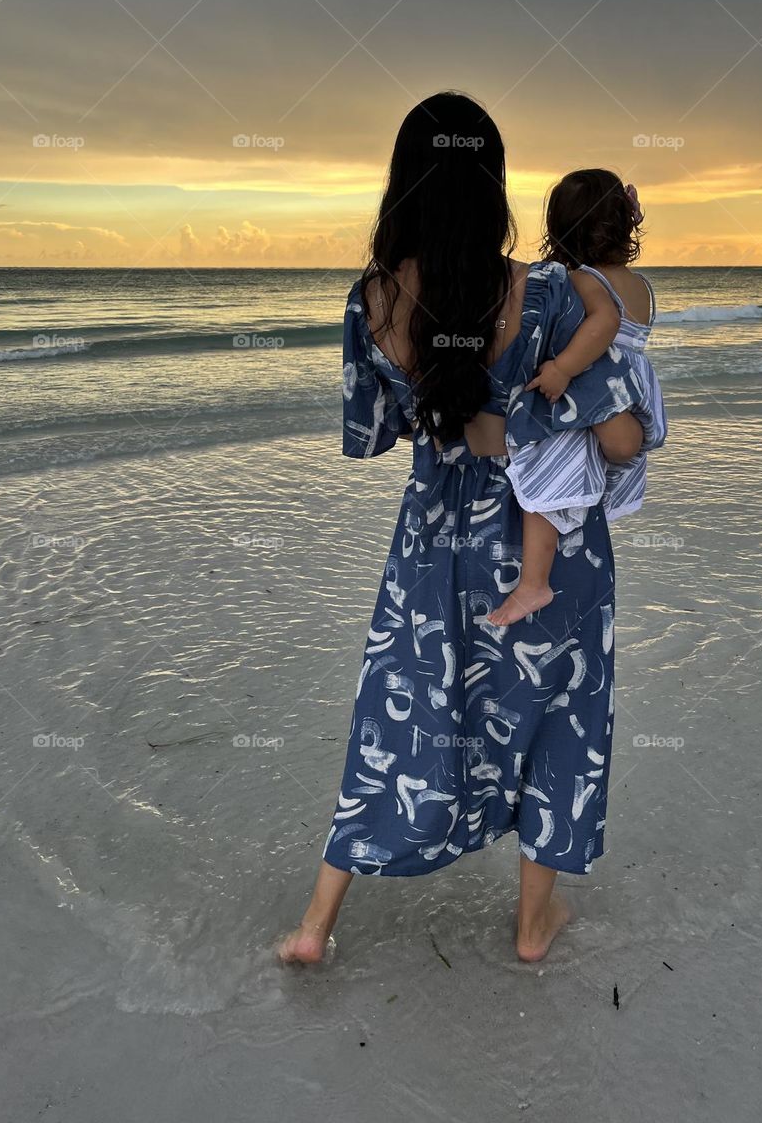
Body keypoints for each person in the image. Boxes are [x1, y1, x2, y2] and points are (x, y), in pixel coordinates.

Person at [279, 94, 660, 967]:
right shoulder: (554, 292)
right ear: (493, 184)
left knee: (400, 707)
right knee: (562, 716)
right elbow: (610, 430)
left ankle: (314, 926)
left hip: (435, 536)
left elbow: (372, 435)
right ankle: (531, 927)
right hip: (548, 536)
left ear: (404, 182)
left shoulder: (371, 296)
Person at [489, 169, 667, 626]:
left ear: (559, 227)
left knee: (546, 466)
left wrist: (562, 367)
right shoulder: (640, 284)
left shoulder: (580, 277)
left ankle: (534, 584)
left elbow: (603, 323)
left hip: (593, 383)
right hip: (629, 390)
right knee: (593, 461)